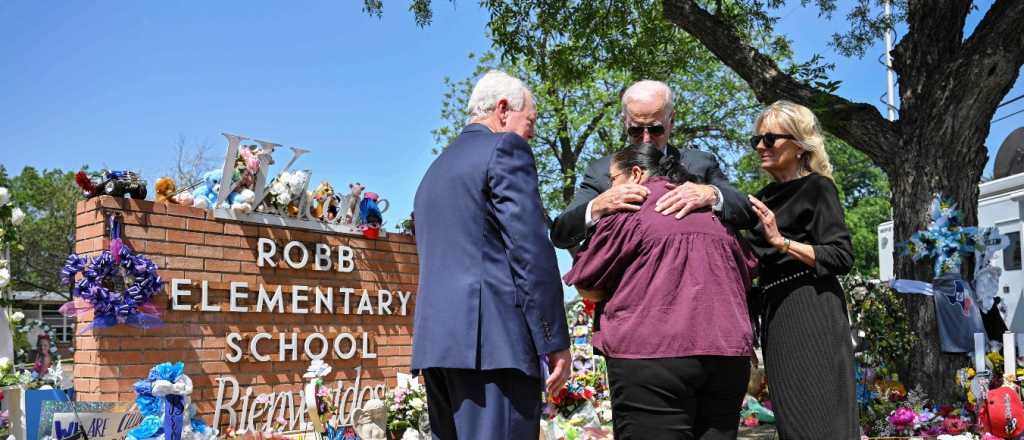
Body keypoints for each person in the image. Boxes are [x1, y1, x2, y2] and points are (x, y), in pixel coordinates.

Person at [411, 70, 571, 440]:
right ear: (502, 109)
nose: (531, 133)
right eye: (530, 121)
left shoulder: (433, 172)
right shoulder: (505, 149)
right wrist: (554, 340)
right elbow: (529, 251)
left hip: (439, 348)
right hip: (493, 350)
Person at [563, 143, 758, 440]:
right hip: (727, 357)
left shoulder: (628, 214)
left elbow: (587, 284)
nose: (610, 190)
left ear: (636, 174)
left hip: (652, 359)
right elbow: (747, 271)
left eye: (613, 181)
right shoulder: (717, 217)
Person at [746, 100, 858, 439]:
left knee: (821, 417)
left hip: (812, 306)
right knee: (791, 419)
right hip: (775, 313)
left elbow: (841, 256)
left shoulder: (817, 188)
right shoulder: (759, 199)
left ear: (798, 145)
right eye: (757, 141)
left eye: (771, 139)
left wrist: (783, 243)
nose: (761, 147)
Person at [551, 80, 755, 249]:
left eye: (655, 129)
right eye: (636, 130)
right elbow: (560, 233)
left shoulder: (700, 162)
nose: (646, 139)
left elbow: (747, 212)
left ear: (671, 120)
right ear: (625, 123)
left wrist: (712, 194)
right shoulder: (601, 171)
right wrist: (598, 205)